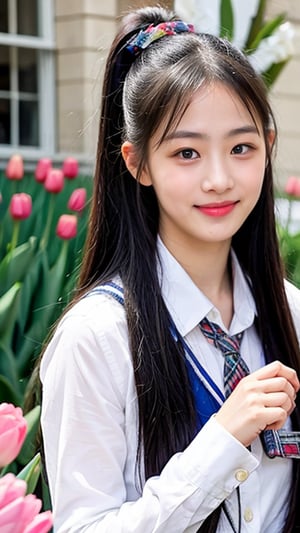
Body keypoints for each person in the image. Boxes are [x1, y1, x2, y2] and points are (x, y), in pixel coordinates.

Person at [39, 5, 300, 532]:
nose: (220, 179)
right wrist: (221, 444)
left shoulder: (292, 314)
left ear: (267, 148)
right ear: (137, 164)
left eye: (242, 147)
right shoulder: (98, 339)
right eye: (186, 153)